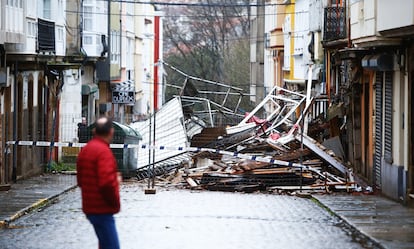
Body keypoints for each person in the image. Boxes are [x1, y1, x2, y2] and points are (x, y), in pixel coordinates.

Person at [76, 117, 121, 249]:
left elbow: (80, 181)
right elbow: (106, 182)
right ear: (111, 132)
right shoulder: (103, 152)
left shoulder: (86, 150)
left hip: (90, 208)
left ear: (95, 131)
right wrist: (115, 201)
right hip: (103, 208)